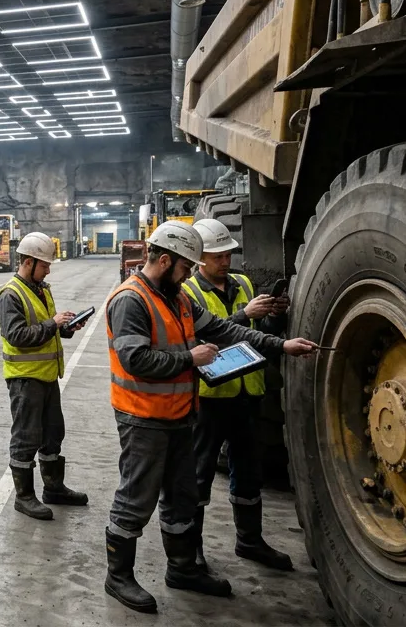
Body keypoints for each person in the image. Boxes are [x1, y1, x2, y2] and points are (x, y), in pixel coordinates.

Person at [102, 221, 317, 614]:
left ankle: (182, 568)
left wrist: (281, 345)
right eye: (186, 267)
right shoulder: (131, 300)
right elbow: (135, 360)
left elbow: (224, 330)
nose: (189, 275)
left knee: (182, 498)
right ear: (164, 261)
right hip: (143, 420)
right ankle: (118, 576)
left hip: (180, 417)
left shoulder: (178, 298)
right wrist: (191, 358)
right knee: (136, 499)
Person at [183, 219, 293, 572]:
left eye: (228, 254)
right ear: (199, 258)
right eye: (217, 256)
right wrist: (244, 315)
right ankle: (191, 549)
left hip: (248, 394)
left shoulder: (243, 283)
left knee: (249, 472)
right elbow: (203, 342)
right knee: (198, 475)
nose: (225, 261)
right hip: (210, 400)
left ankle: (250, 540)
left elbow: (261, 332)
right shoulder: (188, 294)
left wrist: (274, 316)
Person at [0, 231, 89, 521]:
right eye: (45, 265)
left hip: (47, 377)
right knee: (26, 437)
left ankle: (53, 488)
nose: (48, 270)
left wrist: (65, 327)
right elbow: (17, 336)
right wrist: (53, 324)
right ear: (28, 262)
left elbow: (45, 329)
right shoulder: (10, 295)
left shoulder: (41, 289)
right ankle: (24, 497)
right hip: (25, 379)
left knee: (52, 434)